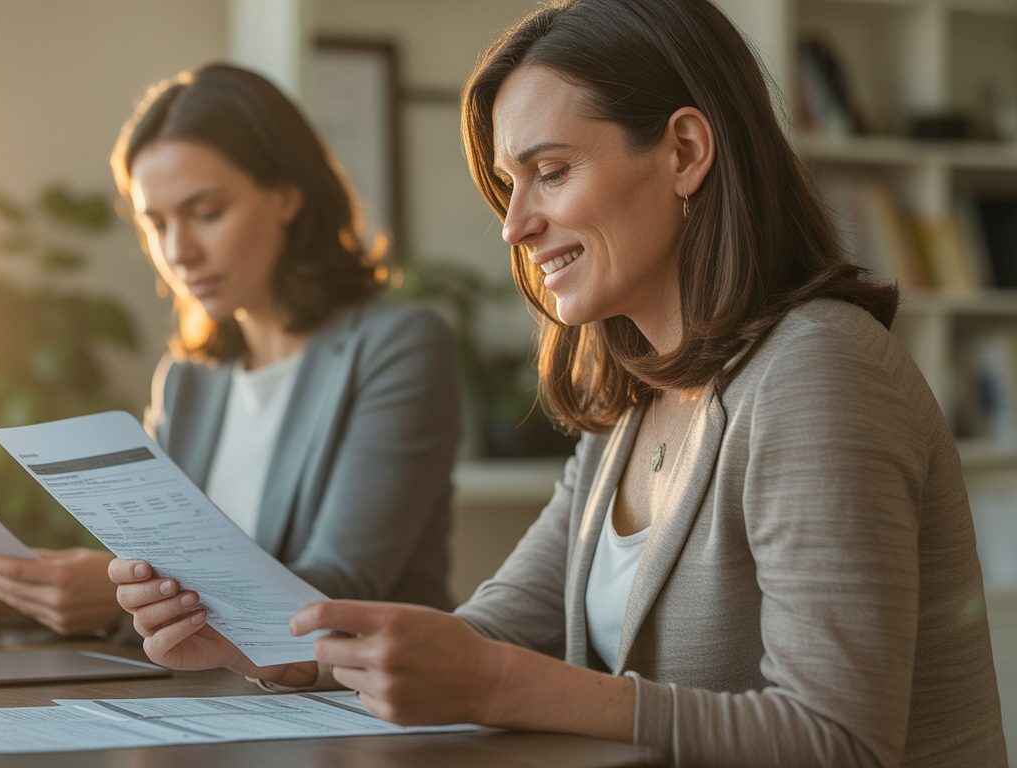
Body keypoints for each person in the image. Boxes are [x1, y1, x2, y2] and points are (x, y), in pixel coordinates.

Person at [108, 1, 1009, 764]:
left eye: (551, 171)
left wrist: (506, 685)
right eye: (509, 185)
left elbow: (839, 740)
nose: (516, 227)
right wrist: (278, 651)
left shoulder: (817, 367)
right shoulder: (633, 400)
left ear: (686, 151)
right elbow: (493, 631)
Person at [0, 63, 460, 637]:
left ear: (288, 196)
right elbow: (148, 576)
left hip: (359, 706)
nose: (178, 251)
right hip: (206, 699)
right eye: (156, 223)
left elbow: (343, 587)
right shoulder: (188, 378)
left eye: (206, 213)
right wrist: (2, 591)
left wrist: (115, 597)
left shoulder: (398, 346)